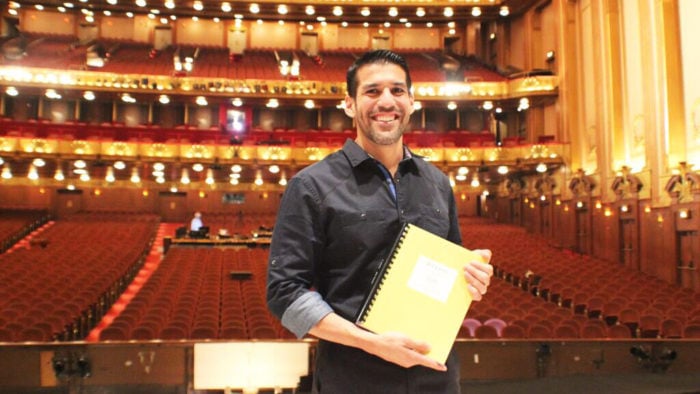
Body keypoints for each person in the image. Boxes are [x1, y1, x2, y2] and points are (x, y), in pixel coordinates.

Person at [266, 50, 493, 394]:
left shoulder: (437, 183)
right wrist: (371, 342)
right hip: (352, 379)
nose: (387, 101)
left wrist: (471, 280)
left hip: (436, 377)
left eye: (398, 91)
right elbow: (285, 293)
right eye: (372, 91)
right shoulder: (311, 186)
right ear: (349, 104)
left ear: (412, 102)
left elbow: (446, 276)